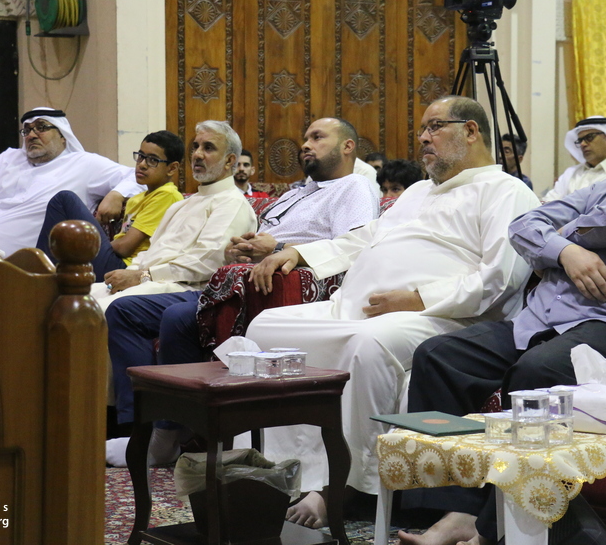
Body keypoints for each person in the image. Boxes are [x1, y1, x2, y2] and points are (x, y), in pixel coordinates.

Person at [399, 92, 606, 545]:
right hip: (547, 325)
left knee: (538, 374)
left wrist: (558, 240)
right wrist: (567, 252)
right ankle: (455, 512)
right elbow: (522, 226)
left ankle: (495, 531)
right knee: (440, 355)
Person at [239, 95, 541, 529]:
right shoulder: (418, 191)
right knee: (265, 328)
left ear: (471, 131)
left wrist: (417, 297)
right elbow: (364, 237)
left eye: (435, 127)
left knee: (368, 345)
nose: (423, 138)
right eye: (422, 129)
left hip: (446, 316)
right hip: (359, 307)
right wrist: (300, 253)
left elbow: (501, 278)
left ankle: (345, 483)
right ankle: (277, 468)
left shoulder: (507, 191)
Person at [103, 117, 379, 465]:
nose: (306, 144)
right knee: (155, 315)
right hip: (240, 279)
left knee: (175, 317)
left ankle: (166, 435)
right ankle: (176, 432)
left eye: (318, 137)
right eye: (305, 137)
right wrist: (240, 251)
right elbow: (257, 240)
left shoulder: (354, 187)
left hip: (279, 284)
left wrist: (279, 249)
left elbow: (353, 246)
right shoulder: (298, 192)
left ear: (347, 146)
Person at [90, 120, 256, 312]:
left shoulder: (232, 203)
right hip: (147, 281)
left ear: (229, 160)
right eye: (195, 147)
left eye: (208, 148)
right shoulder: (181, 205)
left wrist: (144, 276)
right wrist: (128, 274)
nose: (197, 154)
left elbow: (206, 262)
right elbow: (152, 251)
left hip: (182, 290)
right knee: (73, 298)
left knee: (96, 310)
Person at [0, 108, 143, 258]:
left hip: (31, 266)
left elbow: (137, 178)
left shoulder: (84, 164)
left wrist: (116, 194)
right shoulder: (9, 158)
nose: (31, 135)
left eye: (41, 127)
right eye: (27, 130)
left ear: (63, 136)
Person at [34, 131, 185, 281]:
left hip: (125, 268)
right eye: (141, 156)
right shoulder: (137, 199)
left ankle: (37, 274)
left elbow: (125, 247)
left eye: (152, 160)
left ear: (172, 168)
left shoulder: (167, 195)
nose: (142, 164)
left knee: (64, 199)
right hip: (113, 259)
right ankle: (42, 273)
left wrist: (84, 246)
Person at [541, 116, 606, 202]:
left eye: (589, 137)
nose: (583, 144)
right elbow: (549, 202)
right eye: (580, 140)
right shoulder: (570, 173)